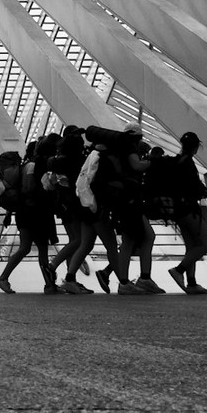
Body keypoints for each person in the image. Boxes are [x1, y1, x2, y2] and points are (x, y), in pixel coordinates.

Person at [86, 124, 163, 295]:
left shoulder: (116, 150)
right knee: (132, 240)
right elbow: (136, 166)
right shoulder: (128, 147)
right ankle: (127, 282)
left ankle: (138, 278)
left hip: (124, 199)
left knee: (139, 238)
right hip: (128, 200)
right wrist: (153, 162)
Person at [0, 139, 56, 293]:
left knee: (25, 248)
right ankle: (49, 285)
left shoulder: (22, 167)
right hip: (33, 214)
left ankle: (3, 278)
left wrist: (9, 213)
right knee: (41, 249)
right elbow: (27, 189)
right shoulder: (32, 167)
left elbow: (18, 191)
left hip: (23, 214)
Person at [45, 125, 97, 294]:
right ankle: (52, 266)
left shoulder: (59, 159)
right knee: (78, 240)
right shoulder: (74, 160)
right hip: (72, 204)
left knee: (74, 240)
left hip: (62, 205)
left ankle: (70, 279)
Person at [161, 132, 207, 294]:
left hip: (177, 211)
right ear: (195, 146)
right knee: (205, 245)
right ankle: (179, 270)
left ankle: (192, 283)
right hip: (189, 210)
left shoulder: (176, 161)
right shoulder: (188, 163)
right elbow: (194, 185)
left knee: (191, 246)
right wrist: (204, 192)